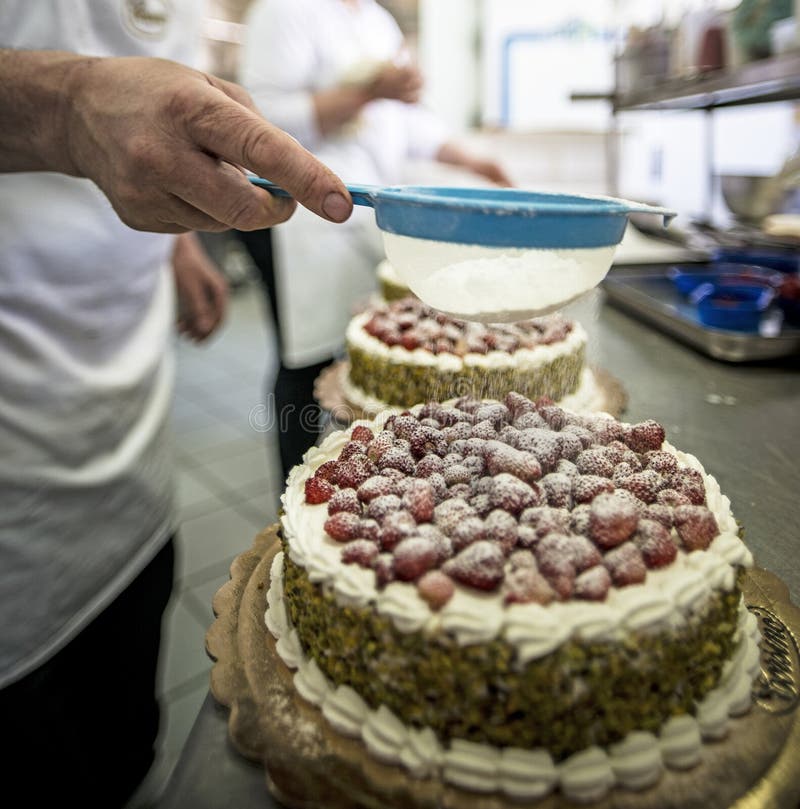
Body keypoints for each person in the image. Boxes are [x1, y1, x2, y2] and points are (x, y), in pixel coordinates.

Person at [0, 3, 355, 807]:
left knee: (125, 747)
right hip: (11, 496)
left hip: (132, 463)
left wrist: (177, 245)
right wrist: (64, 108)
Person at [238, 0, 512, 479]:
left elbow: (408, 126)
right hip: (300, 226)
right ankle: (294, 489)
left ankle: (361, 470)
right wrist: (366, 92)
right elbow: (265, 126)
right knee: (304, 364)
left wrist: (475, 162)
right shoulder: (283, 12)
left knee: (361, 355)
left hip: (360, 222)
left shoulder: (376, 21)